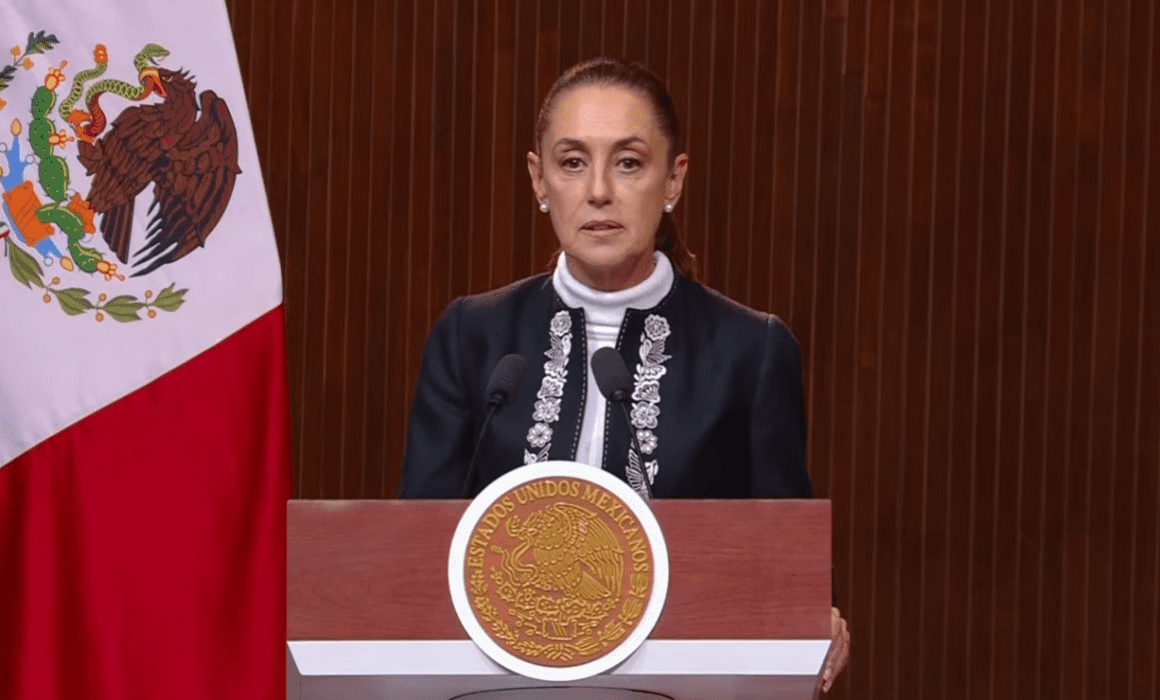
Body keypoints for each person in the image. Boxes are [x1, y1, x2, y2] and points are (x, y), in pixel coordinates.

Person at [399, 57, 848, 691]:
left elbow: (785, 558)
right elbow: (413, 551)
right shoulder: (472, 337)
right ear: (539, 179)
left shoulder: (751, 349)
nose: (599, 190)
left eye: (629, 162)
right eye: (572, 162)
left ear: (674, 179)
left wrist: (815, 611)